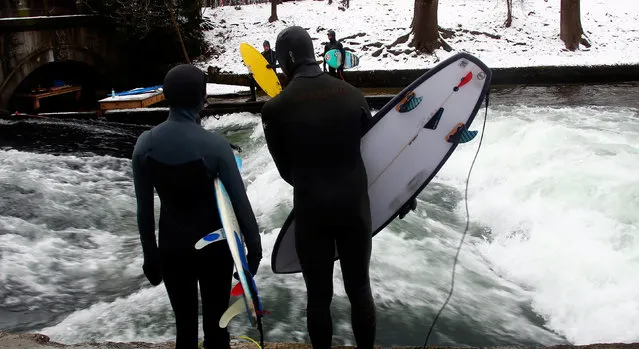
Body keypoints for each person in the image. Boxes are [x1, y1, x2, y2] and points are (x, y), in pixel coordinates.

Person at [260, 26, 376, 349]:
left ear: (286, 60)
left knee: (318, 299)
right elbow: (376, 149)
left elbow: (287, 171)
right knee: (360, 290)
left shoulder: (274, 110)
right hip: (355, 208)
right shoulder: (353, 95)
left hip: (312, 212)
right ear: (314, 53)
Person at [131, 64, 262, 349]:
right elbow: (241, 204)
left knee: (185, 331)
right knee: (217, 330)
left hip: (171, 248)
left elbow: (143, 211)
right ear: (202, 100)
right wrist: (254, 252)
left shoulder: (144, 144)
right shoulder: (215, 146)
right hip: (213, 250)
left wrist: (150, 257)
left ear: (166, 96)